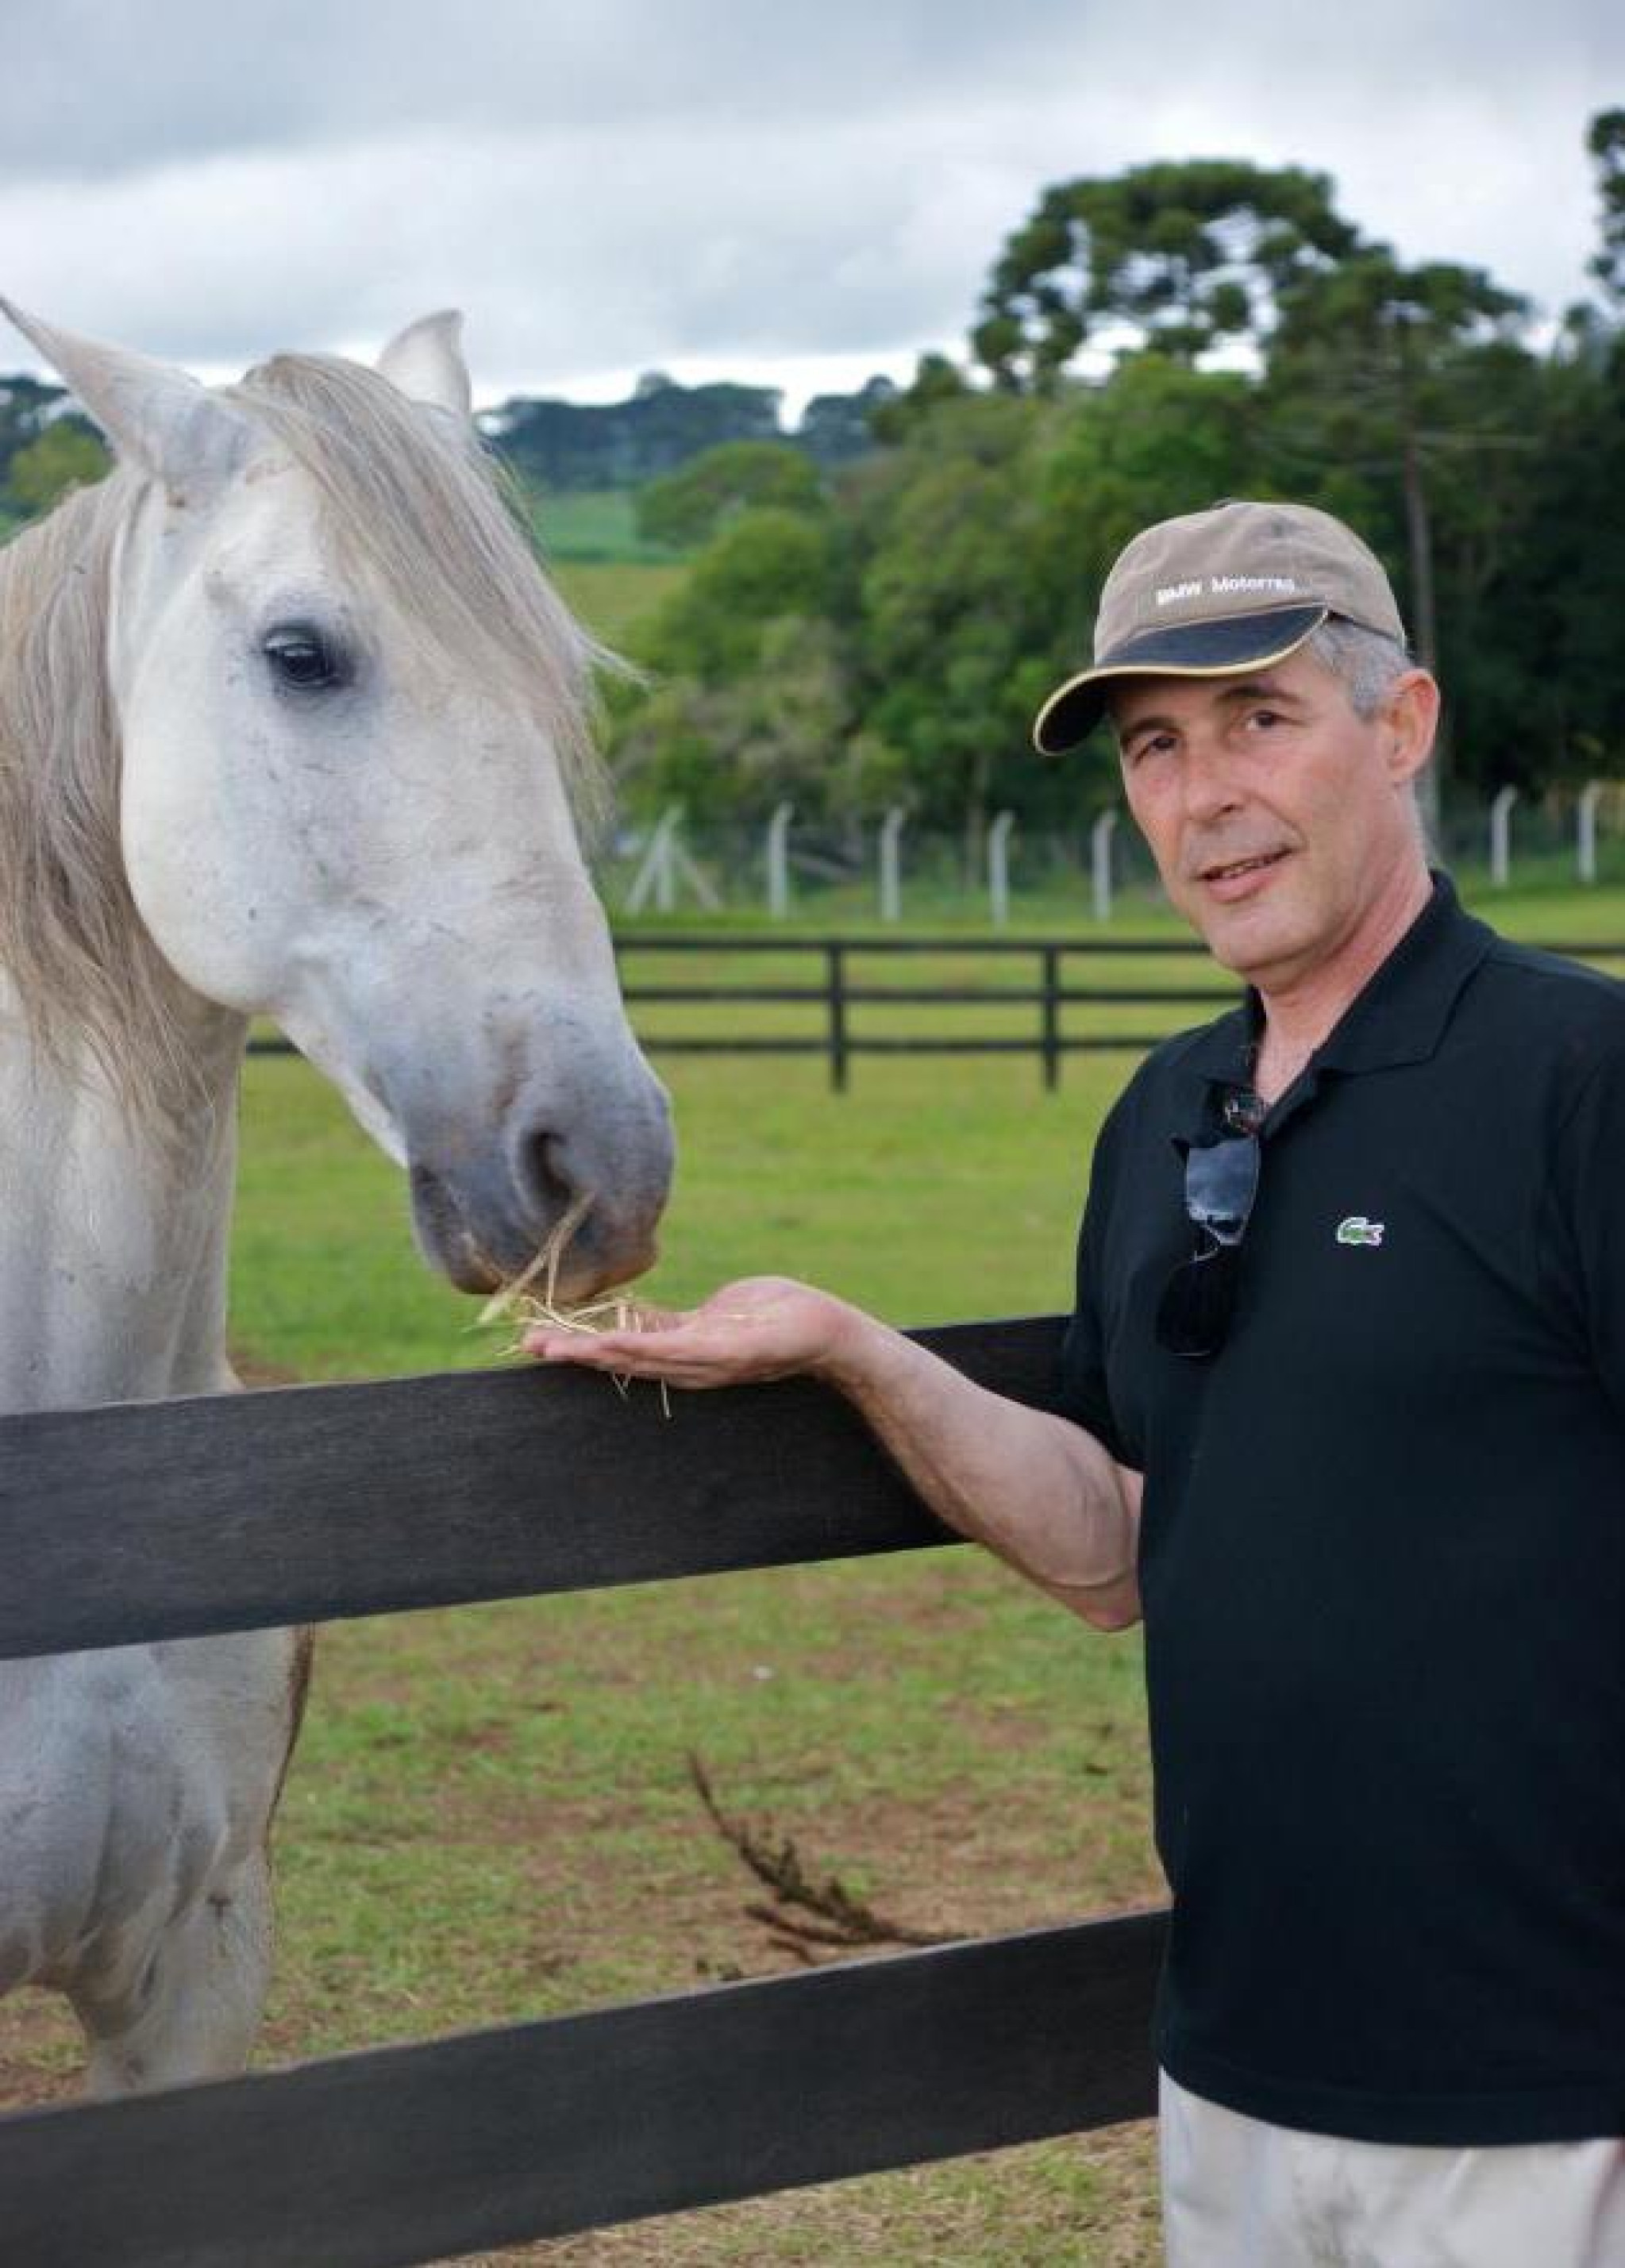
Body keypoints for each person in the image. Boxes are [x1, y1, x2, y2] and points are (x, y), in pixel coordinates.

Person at [527, 500, 1625, 2265]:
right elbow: (1124, 1547)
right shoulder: (1164, 1116)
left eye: (1261, 719)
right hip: (1239, 2072)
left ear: (1400, 725)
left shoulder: (1578, 1083)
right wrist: (850, 1348)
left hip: (1552, 2106)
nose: (1204, 798)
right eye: (1155, 748)